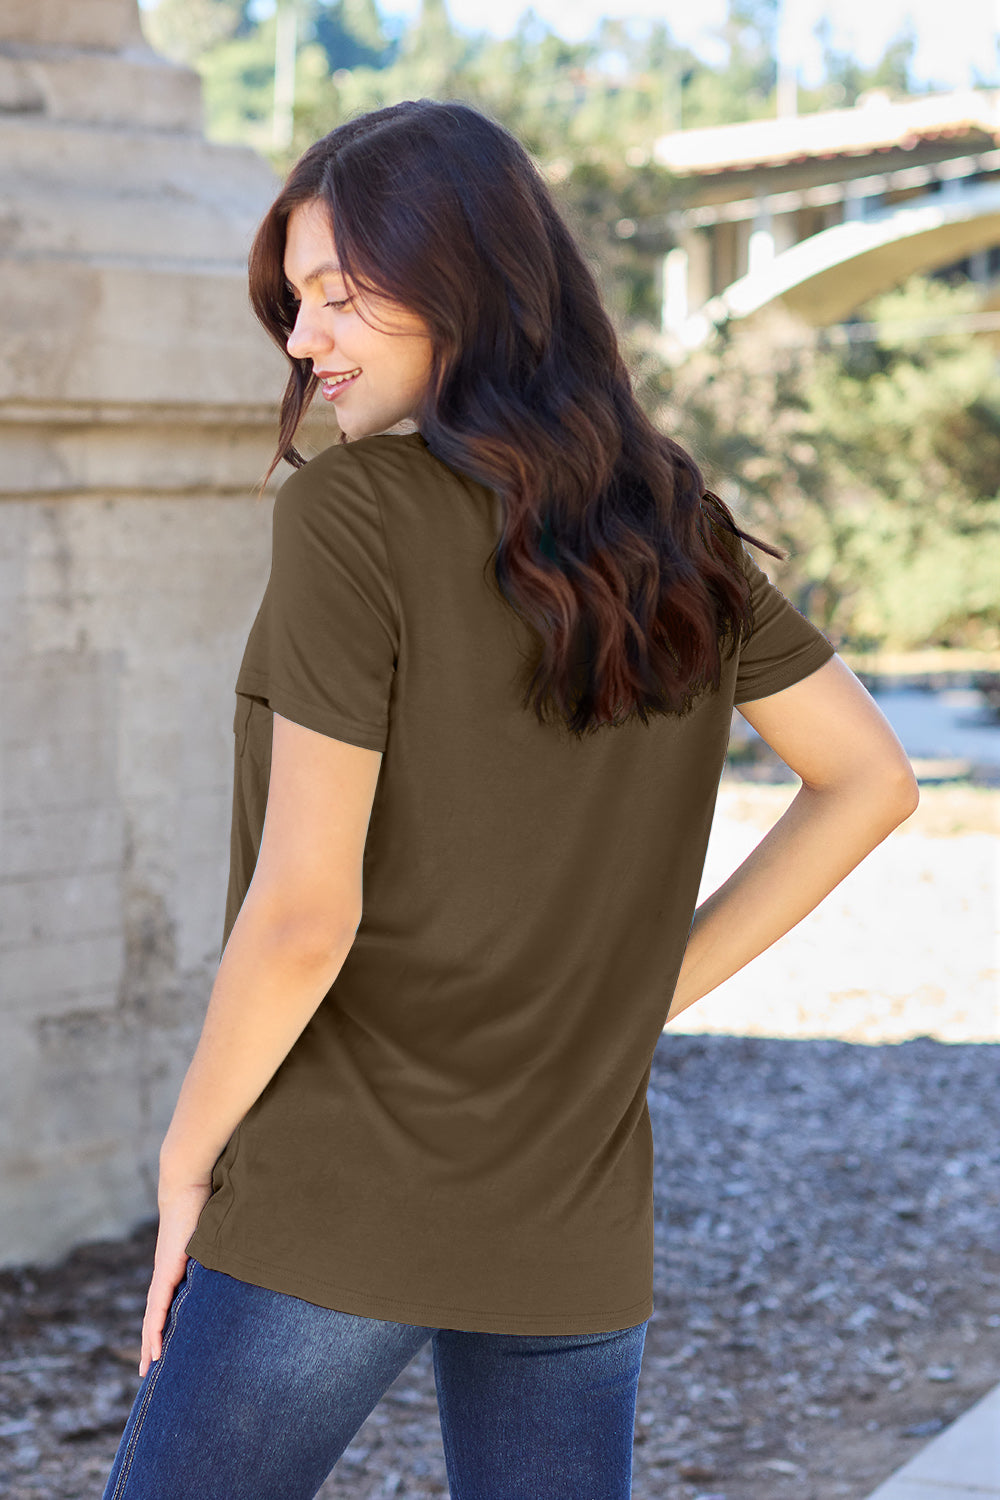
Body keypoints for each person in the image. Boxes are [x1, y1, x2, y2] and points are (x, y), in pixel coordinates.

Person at [102, 98, 919, 1500]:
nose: (304, 342)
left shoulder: (350, 517)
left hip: (336, 1195)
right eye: (297, 305)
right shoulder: (678, 528)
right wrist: (638, 994)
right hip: (573, 1205)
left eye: (339, 297)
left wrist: (185, 1160)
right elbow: (871, 780)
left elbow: (305, 910)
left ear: (464, 286)